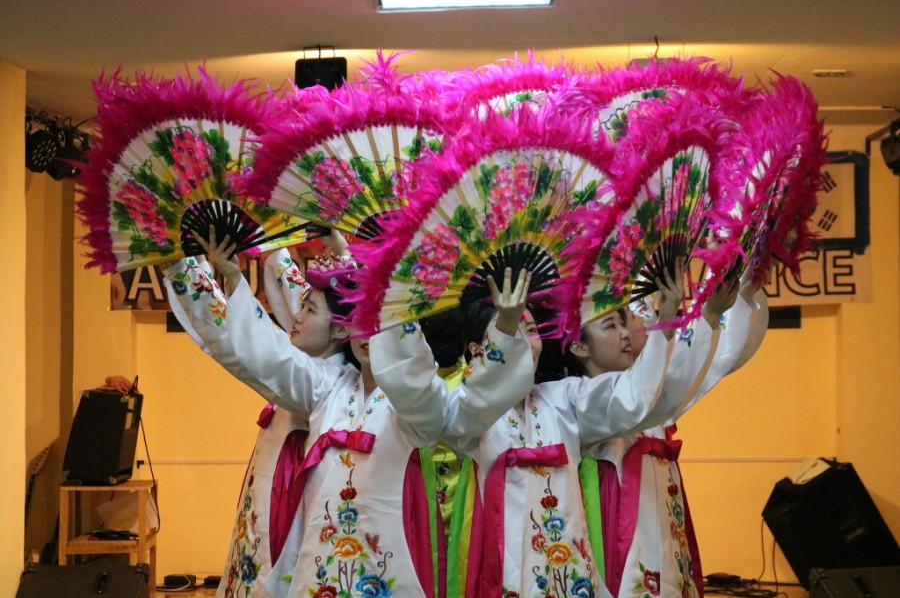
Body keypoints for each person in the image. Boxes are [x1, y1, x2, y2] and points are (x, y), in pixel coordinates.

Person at [168, 228, 535, 598]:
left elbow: (451, 397)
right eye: (360, 321)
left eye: (380, 323)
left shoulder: (416, 406)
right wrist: (233, 277)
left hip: (388, 576)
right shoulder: (327, 388)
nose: (367, 334)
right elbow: (266, 356)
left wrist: (504, 327)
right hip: (318, 577)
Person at [370, 265, 730, 598]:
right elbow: (429, 390)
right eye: (512, 331)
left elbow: (636, 397)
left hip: (570, 575)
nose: (526, 343)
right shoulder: (467, 414)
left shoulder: (565, 400)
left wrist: (679, 317)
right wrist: (398, 294)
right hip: (500, 573)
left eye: (530, 330)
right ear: (480, 349)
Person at [164, 233, 355, 598]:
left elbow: (256, 350)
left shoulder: (325, 383)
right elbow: (249, 335)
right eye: (302, 304)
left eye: (309, 310)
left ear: (342, 329)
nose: (296, 314)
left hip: (285, 524)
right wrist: (275, 245)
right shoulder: (314, 364)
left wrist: (231, 277)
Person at [572, 274, 767, 598]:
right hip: (624, 549)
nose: (626, 333)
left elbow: (715, 363)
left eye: (625, 322)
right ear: (579, 346)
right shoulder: (584, 399)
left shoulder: (649, 397)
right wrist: (707, 313)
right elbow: (653, 389)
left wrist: (743, 291)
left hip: (665, 543)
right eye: (612, 325)